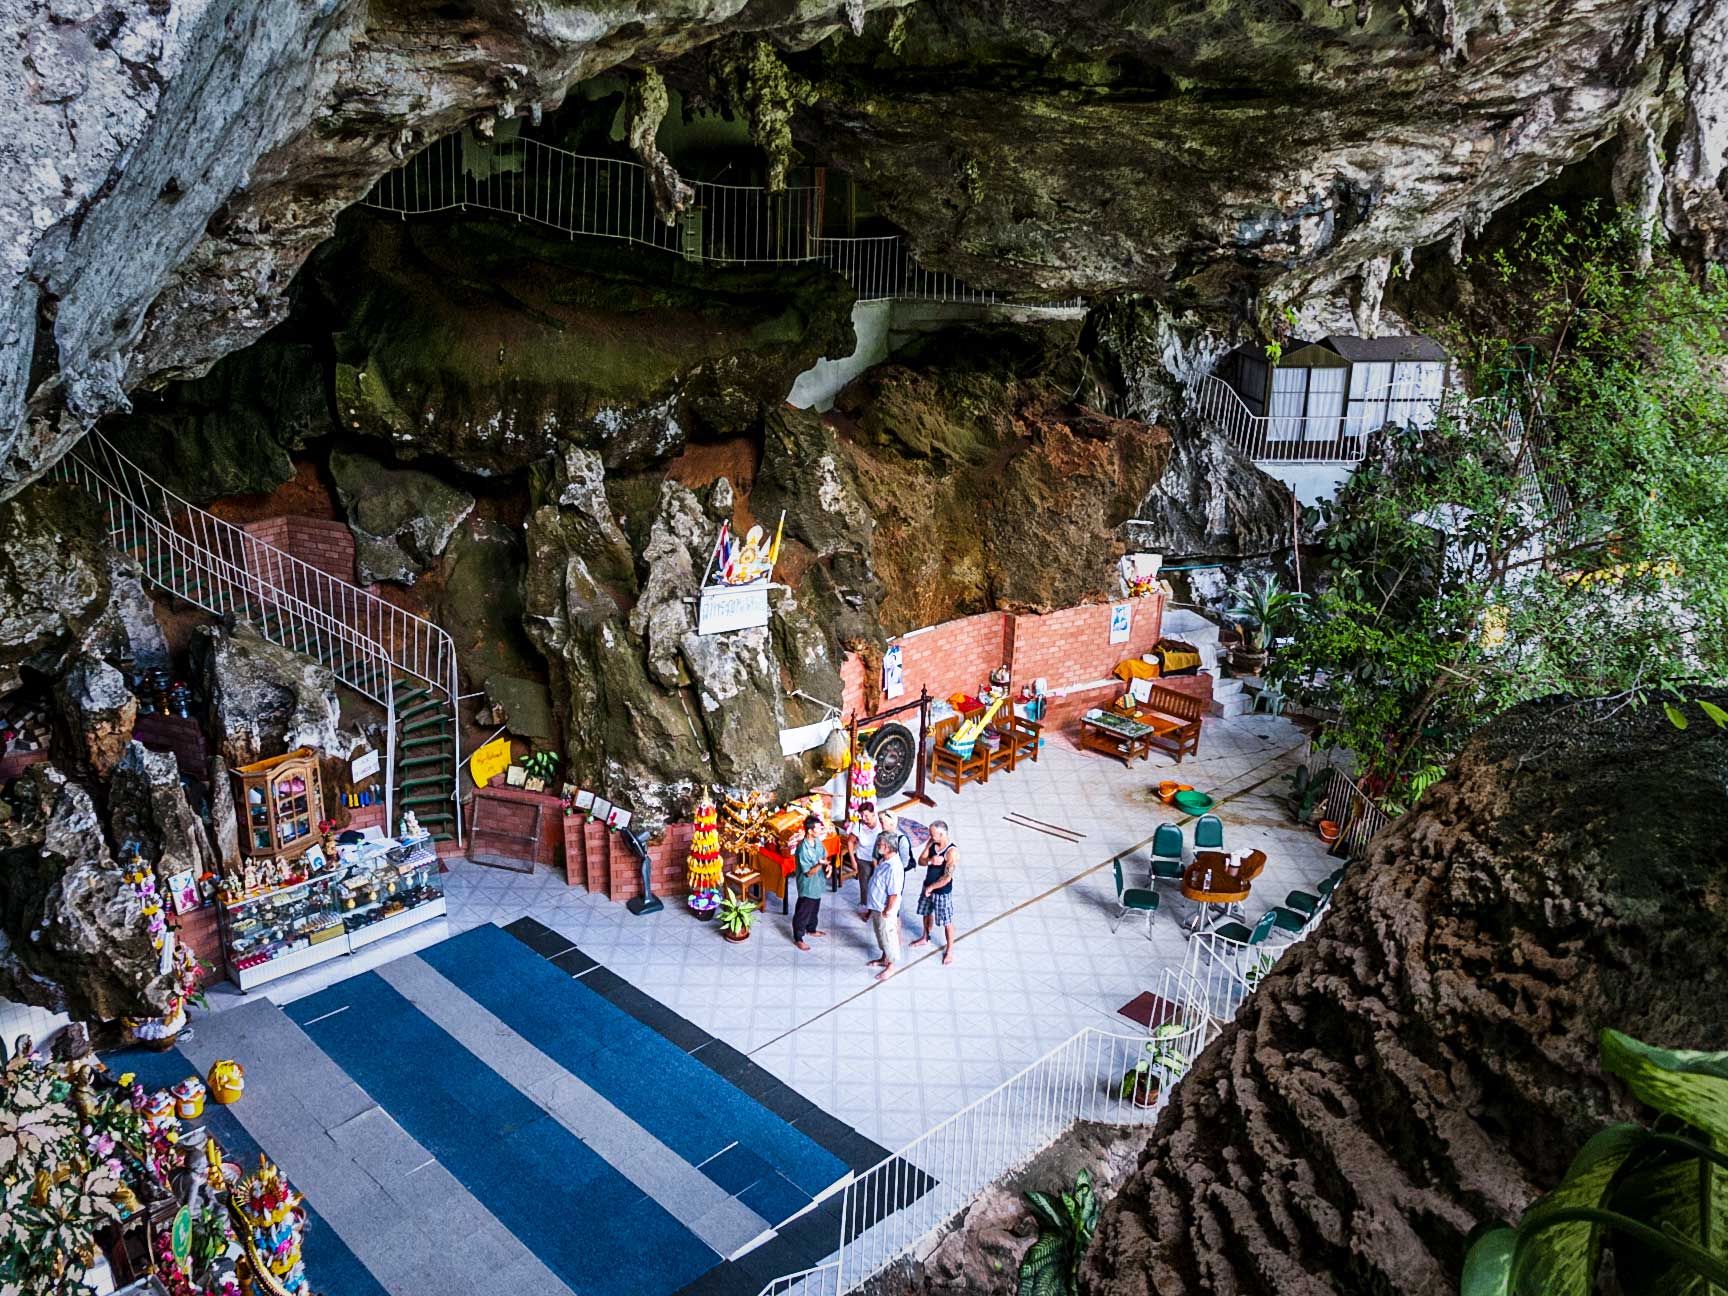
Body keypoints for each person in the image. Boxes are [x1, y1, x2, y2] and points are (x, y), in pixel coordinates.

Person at [909, 820, 958, 965]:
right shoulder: (931, 843)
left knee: (946, 921)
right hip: (927, 886)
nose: (929, 836)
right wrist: (931, 860)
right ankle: (925, 936)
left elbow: (947, 877)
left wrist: (931, 888)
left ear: (942, 834)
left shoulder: (951, 852)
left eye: (932, 834)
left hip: (941, 892)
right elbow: (921, 861)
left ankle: (949, 950)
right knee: (926, 912)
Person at [864, 829, 904, 981]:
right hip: (876, 906)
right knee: (880, 934)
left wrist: (887, 910)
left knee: (888, 936)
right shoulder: (885, 861)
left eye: (880, 843)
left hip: (884, 909)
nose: (877, 845)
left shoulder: (894, 868)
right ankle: (884, 958)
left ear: (887, 847)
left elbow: (893, 894)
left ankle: (891, 966)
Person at [791, 815, 829, 951]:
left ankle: (811, 929)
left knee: (814, 908)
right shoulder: (802, 849)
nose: (820, 830)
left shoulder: (817, 842)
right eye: (818, 828)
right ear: (810, 831)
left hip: (817, 883)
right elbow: (808, 872)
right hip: (807, 885)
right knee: (803, 911)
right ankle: (798, 937)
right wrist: (820, 864)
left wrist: (827, 866)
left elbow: (824, 855)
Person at [848, 804, 882, 921]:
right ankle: (865, 908)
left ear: (873, 814)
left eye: (866, 815)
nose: (864, 818)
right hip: (863, 859)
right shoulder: (858, 826)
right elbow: (850, 842)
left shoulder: (881, 823)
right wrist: (853, 860)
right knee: (865, 885)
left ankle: (877, 907)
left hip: (878, 859)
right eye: (862, 815)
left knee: (878, 884)